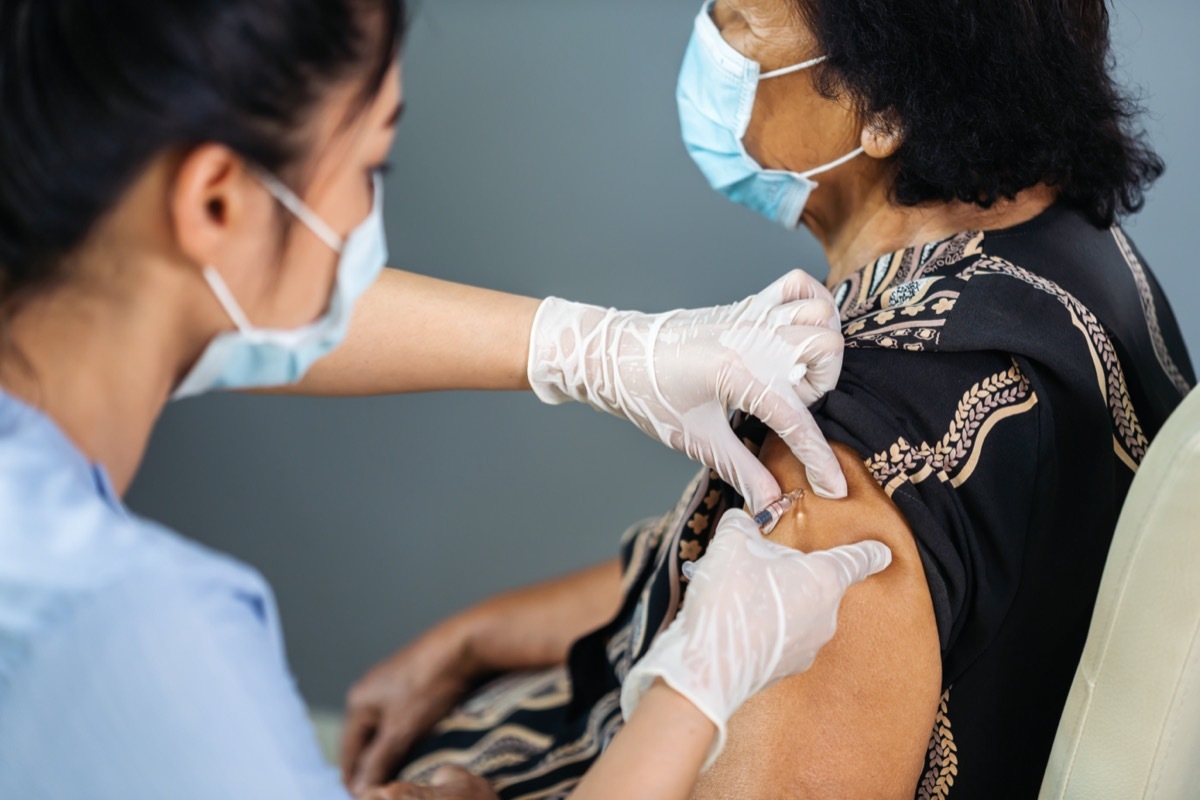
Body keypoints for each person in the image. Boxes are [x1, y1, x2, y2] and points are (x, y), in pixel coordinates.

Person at [0, 1, 891, 798]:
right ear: (217, 203)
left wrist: (593, 348)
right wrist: (694, 691)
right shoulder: (126, 639)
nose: (365, 221)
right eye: (370, 167)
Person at [346, 0, 1195, 798]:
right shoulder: (1073, 257)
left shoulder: (847, 446)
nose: (710, 39)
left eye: (741, 21)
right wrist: (474, 639)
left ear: (887, 104)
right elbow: (714, 585)